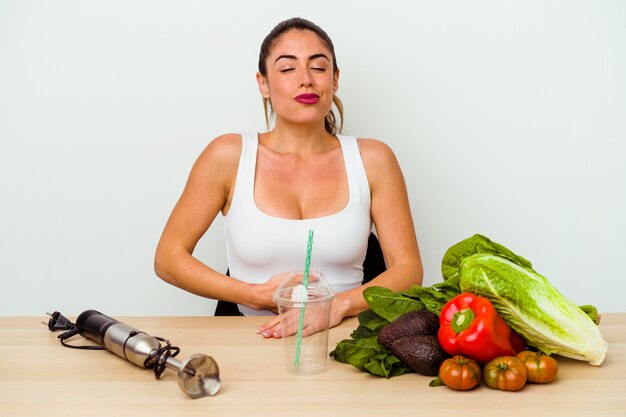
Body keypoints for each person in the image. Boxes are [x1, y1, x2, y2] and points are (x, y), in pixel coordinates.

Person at [154, 17, 423, 338]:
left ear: (335, 80)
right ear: (263, 83)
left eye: (319, 67)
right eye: (287, 68)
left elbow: (408, 269)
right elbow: (168, 258)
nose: (305, 79)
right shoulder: (227, 155)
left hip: (345, 340)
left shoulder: (373, 159)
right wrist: (252, 294)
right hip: (248, 337)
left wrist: (337, 306)